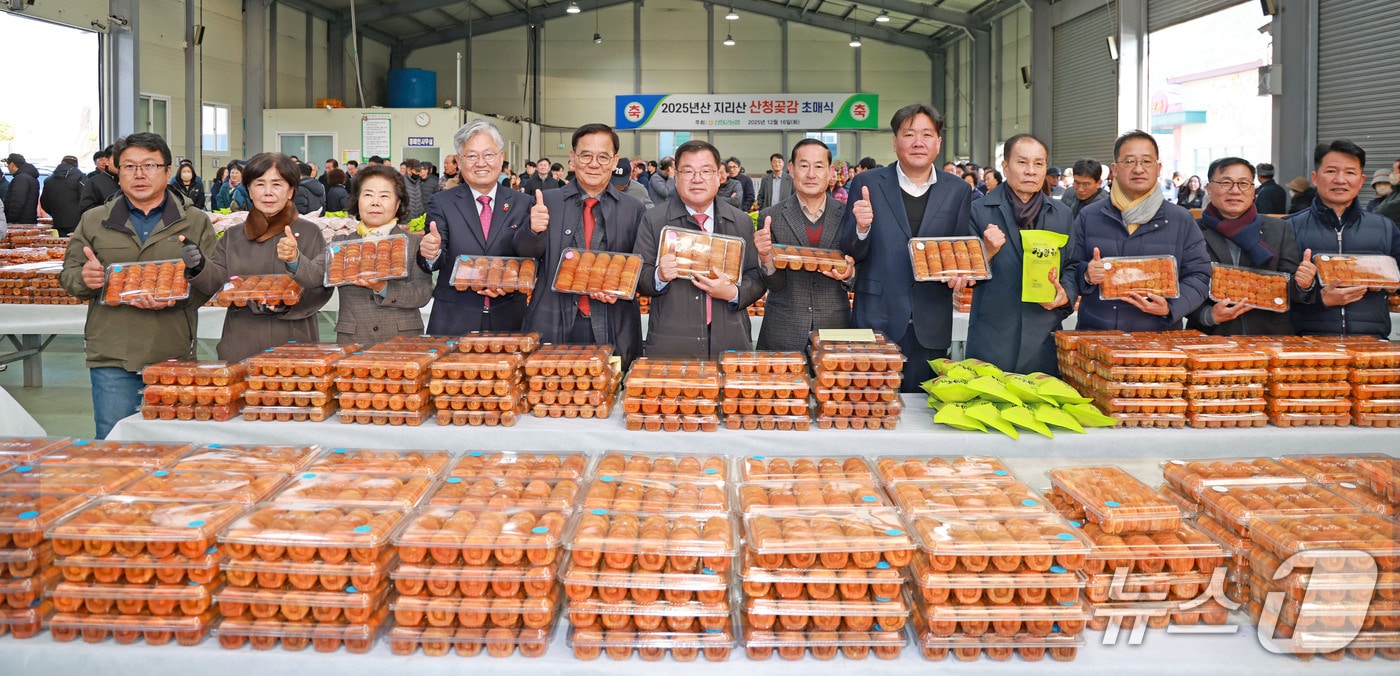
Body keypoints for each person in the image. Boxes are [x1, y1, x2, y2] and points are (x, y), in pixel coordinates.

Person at [58, 133, 217, 438]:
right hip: (112, 352)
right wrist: (85, 279)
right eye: (129, 166)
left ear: (167, 171)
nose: (139, 174)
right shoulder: (94, 220)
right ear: (117, 173)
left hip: (172, 352)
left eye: (149, 165)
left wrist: (178, 294)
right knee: (114, 441)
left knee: (173, 444)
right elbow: (70, 275)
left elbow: (211, 282)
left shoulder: (194, 221)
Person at [840, 103, 977, 392]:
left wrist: (960, 274)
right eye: (909, 134)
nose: (918, 142)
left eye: (927, 134)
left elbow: (957, 249)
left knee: (925, 414)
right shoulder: (867, 184)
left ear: (938, 143)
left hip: (931, 320)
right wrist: (861, 228)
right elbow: (849, 249)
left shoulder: (958, 190)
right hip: (877, 316)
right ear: (895, 141)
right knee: (870, 405)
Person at [516, 123, 647, 365]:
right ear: (573, 158)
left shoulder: (633, 209)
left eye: (603, 156)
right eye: (586, 155)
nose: (594, 163)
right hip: (553, 321)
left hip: (612, 323)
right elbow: (524, 253)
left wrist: (622, 285)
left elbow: (642, 267)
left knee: (611, 396)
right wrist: (533, 229)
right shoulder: (547, 202)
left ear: (615, 161)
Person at [189, 152, 332, 362]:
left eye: (277, 184)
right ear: (249, 189)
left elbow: (321, 288)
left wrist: (288, 302)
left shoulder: (309, 232)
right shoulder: (233, 235)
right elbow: (216, 282)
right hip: (240, 344)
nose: (268, 192)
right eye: (259, 184)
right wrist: (199, 266)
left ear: (291, 190)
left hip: (293, 347)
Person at [634, 140, 764, 357]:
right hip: (672, 343)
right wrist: (659, 275)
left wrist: (732, 292)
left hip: (730, 338)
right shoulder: (654, 220)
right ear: (676, 176)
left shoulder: (740, 221)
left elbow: (756, 277)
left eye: (706, 171)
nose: (697, 179)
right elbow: (639, 277)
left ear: (718, 176)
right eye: (688, 171)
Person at [1073, 130, 1211, 332]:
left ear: (1158, 168)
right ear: (1115, 169)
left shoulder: (1181, 220)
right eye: (1129, 161)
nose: (1138, 169)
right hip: (1097, 337)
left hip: (1158, 342)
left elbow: (1199, 275)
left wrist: (1171, 307)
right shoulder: (1089, 216)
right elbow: (1068, 267)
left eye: (1146, 161)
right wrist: (1086, 274)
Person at [965, 134, 1077, 374]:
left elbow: (1072, 265)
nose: (1031, 171)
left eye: (1038, 163)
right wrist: (986, 252)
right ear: (1005, 166)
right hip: (993, 337)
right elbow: (963, 275)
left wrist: (1065, 293)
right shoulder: (978, 211)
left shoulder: (1061, 214)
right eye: (1022, 162)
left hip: (1043, 337)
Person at [418, 119, 534, 335]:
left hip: (509, 318)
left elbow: (530, 255)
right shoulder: (442, 202)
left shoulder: (523, 203)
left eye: (488, 155)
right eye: (471, 156)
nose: (481, 163)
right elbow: (435, 256)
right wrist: (430, 253)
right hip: (454, 320)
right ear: (460, 162)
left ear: (501, 158)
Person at [296, 164, 432, 346]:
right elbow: (313, 276)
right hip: (353, 340)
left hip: (402, 342)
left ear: (398, 203)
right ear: (357, 200)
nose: (375, 202)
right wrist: (293, 258)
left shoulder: (414, 244)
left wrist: (383, 287)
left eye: (384, 196)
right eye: (368, 195)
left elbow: (422, 293)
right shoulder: (341, 243)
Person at [1187, 157, 1314, 336]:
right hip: (1212, 340)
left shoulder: (1279, 228)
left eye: (1243, 183)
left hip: (1270, 339)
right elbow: (1184, 286)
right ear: (1209, 188)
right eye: (1225, 183)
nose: (1235, 191)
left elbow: (1291, 289)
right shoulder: (1192, 230)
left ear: (1253, 190)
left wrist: (1303, 284)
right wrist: (1208, 315)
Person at [751, 139, 858, 351]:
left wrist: (850, 273)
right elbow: (774, 284)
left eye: (818, 166)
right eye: (803, 165)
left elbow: (864, 273)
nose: (811, 174)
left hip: (834, 328)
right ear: (791, 169)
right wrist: (766, 259)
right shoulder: (771, 217)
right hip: (783, 328)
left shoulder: (849, 216)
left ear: (829, 172)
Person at [1287, 140, 1400, 338]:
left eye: (1350, 172)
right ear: (1314, 178)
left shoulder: (1384, 228)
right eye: (1331, 171)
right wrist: (1316, 297)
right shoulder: (1288, 227)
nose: (1340, 180)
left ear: (1361, 179)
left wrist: (1391, 283)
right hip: (1307, 346)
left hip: (1370, 342)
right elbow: (1273, 290)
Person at [41, 155, 84, 235]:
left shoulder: (48, 180)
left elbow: (44, 202)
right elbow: (85, 199)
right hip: (77, 222)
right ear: (76, 165)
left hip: (57, 222)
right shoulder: (80, 178)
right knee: (75, 245)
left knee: (59, 245)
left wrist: (55, 213)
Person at [80, 147, 121, 214]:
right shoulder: (93, 182)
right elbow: (86, 208)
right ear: (107, 161)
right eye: (116, 159)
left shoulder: (132, 179)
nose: (120, 163)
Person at [3, 154, 39, 225]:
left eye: (7, 164)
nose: (7, 167)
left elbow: (17, 202)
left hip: (19, 222)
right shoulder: (30, 177)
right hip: (28, 220)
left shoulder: (20, 178)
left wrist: (9, 220)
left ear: (12, 164)